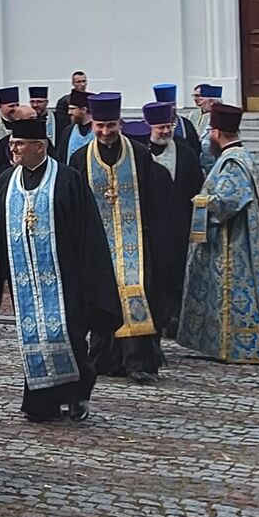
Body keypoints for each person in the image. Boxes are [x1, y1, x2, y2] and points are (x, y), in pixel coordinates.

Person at [0, 116, 121, 422]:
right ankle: (41, 401)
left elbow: (88, 235)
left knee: (66, 336)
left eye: (19, 143)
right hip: (23, 280)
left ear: (39, 147)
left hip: (66, 280)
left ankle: (77, 395)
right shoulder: (6, 182)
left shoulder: (67, 179)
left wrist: (91, 285)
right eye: (12, 142)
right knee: (34, 339)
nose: (12, 148)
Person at [68, 93, 171, 383]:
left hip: (136, 242)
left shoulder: (139, 154)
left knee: (137, 291)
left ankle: (139, 361)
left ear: (120, 123)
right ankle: (106, 359)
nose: (105, 132)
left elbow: (152, 199)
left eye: (110, 125)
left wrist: (153, 241)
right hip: (97, 245)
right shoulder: (80, 159)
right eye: (100, 126)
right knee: (102, 297)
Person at [178, 103, 259, 364]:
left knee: (232, 292)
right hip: (238, 237)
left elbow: (226, 202)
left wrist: (200, 201)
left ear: (216, 132)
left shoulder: (233, 162)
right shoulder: (240, 156)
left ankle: (239, 346)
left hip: (234, 243)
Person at [140, 101, 201, 338]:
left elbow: (195, 186)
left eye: (169, 126)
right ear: (149, 126)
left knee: (176, 274)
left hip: (178, 224)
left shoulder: (184, 152)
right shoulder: (139, 152)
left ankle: (174, 318)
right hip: (149, 226)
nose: (165, 131)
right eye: (160, 127)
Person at [190, 83, 223, 175]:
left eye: (199, 97)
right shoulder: (193, 114)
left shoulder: (219, 116)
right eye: (194, 96)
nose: (197, 100)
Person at [60, 90, 94, 160]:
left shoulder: (98, 131)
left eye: (72, 109)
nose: (69, 112)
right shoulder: (68, 131)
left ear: (84, 110)